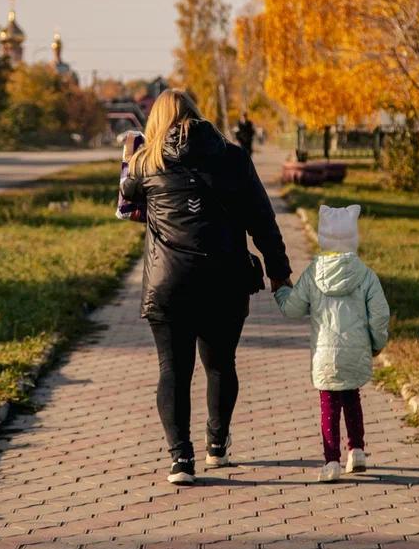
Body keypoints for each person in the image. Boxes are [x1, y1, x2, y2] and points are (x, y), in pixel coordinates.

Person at [121, 90, 292, 485]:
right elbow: (262, 219)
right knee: (220, 365)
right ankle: (217, 446)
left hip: (169, 285)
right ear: (199, 117)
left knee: (173, 372)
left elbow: (126, 205)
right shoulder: (232, 158)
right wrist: (278, 270)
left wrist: (129, 157)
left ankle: (181, 460)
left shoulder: (145, 162)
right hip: (225, 282)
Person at [275, 204, 390, 482]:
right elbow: (380, 315)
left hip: (325, 358)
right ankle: (358, 450)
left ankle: (332, 461)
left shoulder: (314, 274)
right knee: (352, 398)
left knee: (329, 405)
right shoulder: (366, 275)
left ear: (323, 238)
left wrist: (280, 290)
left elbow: (292, 308)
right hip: (355, 353)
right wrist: (376, 344)